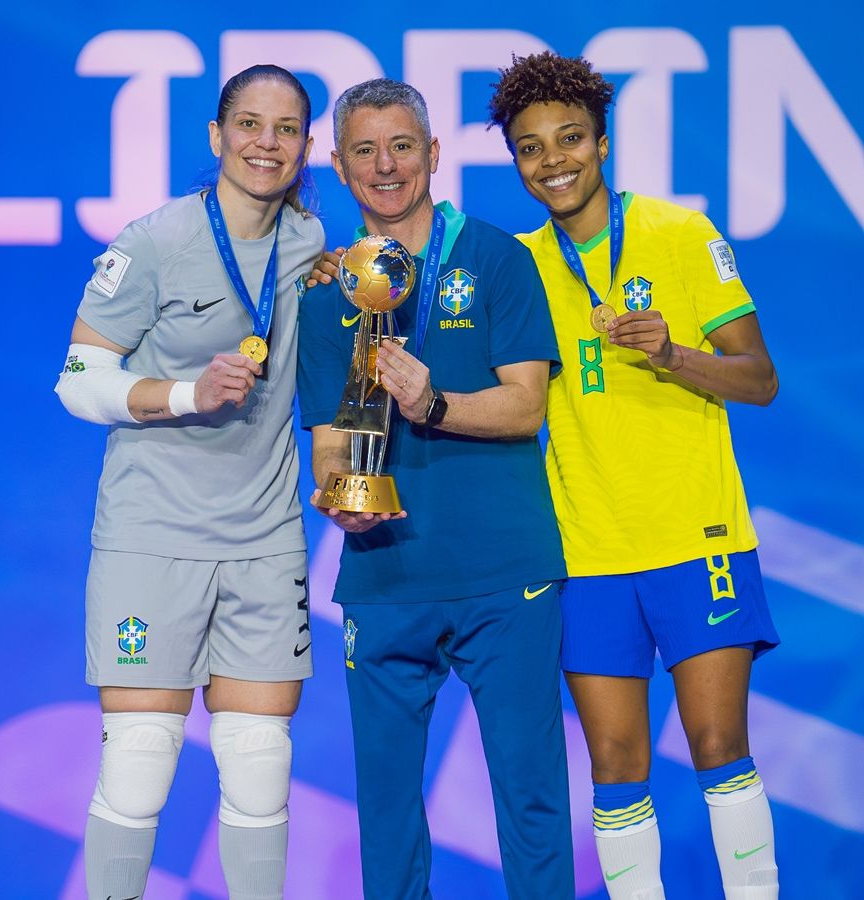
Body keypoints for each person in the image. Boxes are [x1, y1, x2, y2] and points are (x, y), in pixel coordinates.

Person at [487, 52, 783, 900]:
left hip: (699, 539)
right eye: (531, 148)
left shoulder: (683, 234)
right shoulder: (518, 265)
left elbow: (759, 379)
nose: (554, 162)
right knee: (616, 766)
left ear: (603, 143)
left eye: (570, 139)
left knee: (719, 748)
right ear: (516, 162)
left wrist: (671, 353)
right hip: (585, 550)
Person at [297, 78, 574, 899]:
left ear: (434, 154)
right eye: (365, 151)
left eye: (403, 146)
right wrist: (340, 493)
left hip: (504, 572)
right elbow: (328, 445)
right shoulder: (325, 294)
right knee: (385, 813)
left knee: (529, 800)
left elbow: (526, 407)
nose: (386, 166)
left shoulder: (495, 257)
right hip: (386, 576)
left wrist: (433, 403)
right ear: (340, 166)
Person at [53, 64, 325, 900]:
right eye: (249, 124)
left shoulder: (313, 248)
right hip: (151, 537)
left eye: (284, 130)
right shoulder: (152, 241)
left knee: (259, 762)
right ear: (216, 137)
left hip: (263, 538)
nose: (265, 144)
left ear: (305, 147)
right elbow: (75, 379)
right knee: (138, 764)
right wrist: (183, 395)